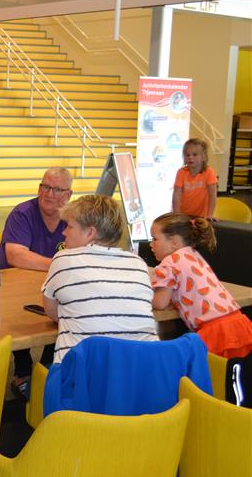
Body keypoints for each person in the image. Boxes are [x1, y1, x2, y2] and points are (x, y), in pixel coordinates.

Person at [42, 195, 158, 364]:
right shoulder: (138, 263)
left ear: (90, 233)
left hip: (84, 371)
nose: (64, 232)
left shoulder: (64, 259)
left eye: (70, 226)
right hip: (143, 368)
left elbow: (52, 311)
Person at [0, 167, 73, 395]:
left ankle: (45, 372)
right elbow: (15, 255)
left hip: (53, 287)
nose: (49, 194)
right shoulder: (22, 213)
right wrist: (57, 264)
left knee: (62, 317)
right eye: (45, 187)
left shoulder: (73, 219)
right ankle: (22, 371)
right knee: (17, 323)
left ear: (68, 194)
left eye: (56, 189)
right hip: (16, 288)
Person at [150, 212, 252, 358]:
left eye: (155, 239)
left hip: (215, 331)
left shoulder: (168, 264)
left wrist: (143, 295)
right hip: (237, 323)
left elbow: (160, 303)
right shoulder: (193, 255)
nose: (151, 244)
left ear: (174, 242)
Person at [172, 138, 217, 219]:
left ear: (204, 157)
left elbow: (212, 195)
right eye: (187, 155)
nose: (190, 157)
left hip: (202, 216)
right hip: (183, 215)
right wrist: (176, 214)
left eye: (195, 154)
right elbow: (176, 195)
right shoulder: (181, 172)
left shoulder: (209, 172)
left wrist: (210, 214)